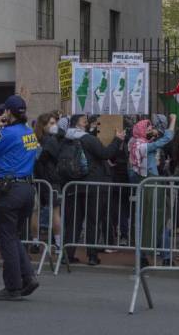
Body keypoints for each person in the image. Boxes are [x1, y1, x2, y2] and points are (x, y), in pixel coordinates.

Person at [0, 95, 40, 300]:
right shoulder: (28, 132)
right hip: (27, 188)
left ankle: (13, 286)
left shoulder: (6, 133)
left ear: (8, 112)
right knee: (13, 237)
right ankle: (28, 276)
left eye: (4, 111)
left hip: (10, 190)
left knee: (7, 239)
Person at [62, 114, 124, 266]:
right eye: (84, 121)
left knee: (73, 222)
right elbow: (105, 154)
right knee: (93, 221)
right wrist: (117, 139)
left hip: (73, 184)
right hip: (93, 184)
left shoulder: (65, 139)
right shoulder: (88, 139)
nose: (87, 123)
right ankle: (92, 256)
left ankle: (67, 255)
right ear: (79, 124)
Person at [129, 115, 176, 265]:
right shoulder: (143, 146)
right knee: (157, 219)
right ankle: (161, 256)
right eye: (147, 128)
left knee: (146, 220)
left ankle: (143, 256)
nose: (151, 130)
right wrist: (172, 122)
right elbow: (166, 140)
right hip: (151, 186)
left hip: (145, 185)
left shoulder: (135, 143)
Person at [32, 112, 63, 252]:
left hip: (38, 178)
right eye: (51, 123)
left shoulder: (35, 140)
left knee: (36, 212)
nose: (54, 125)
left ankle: (35, 242)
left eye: (54, 122)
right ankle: (57, 243)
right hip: (49, 179)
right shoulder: (51, 141)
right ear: (43, 125)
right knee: (53, 212)